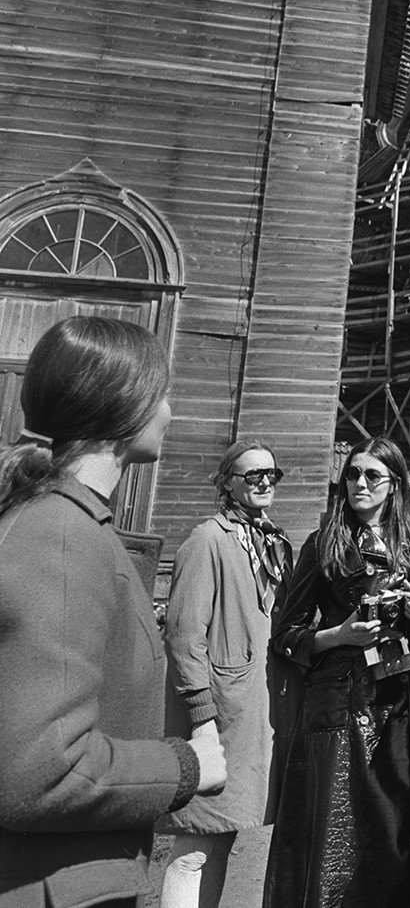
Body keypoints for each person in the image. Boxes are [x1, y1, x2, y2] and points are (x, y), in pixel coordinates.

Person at [0, 316, 226, 908]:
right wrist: (185, 767)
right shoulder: (63, 538)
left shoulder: (63, 523)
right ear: (123, 406)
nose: (171, 412)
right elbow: (45, 773)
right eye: (162, 395)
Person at [263, 437, 410, 908]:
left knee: (398, 830)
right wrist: (340, 635)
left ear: (395, 485)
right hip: (341, 708)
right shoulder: (324, 543)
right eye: (352, 474)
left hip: (403, 705)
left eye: (372, 476)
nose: (359, 483)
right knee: (336, 834)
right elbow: (286, 633)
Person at [157, 439, 297, 908]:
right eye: (251, 475)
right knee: (193, 846)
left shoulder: (272, 544)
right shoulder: (207, 541)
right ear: (227, 484)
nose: (263, 482)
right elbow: (183, 636)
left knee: (224, 837)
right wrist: (200, 714)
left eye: (270, 475)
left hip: (252, 715)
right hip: (214, 716)